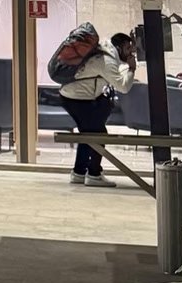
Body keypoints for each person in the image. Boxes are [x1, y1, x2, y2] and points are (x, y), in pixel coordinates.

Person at [52, 22, 135, 185]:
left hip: (73, 96)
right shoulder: (106, 61)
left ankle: (79, 172)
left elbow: (112, 73)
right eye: (128, 49)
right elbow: (123, 87)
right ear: (119, 48)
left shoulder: (104, 50)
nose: (131, 52)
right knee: (98, 135)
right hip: (78, 99)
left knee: (88, 135)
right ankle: (94, 174)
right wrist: (131, 69)